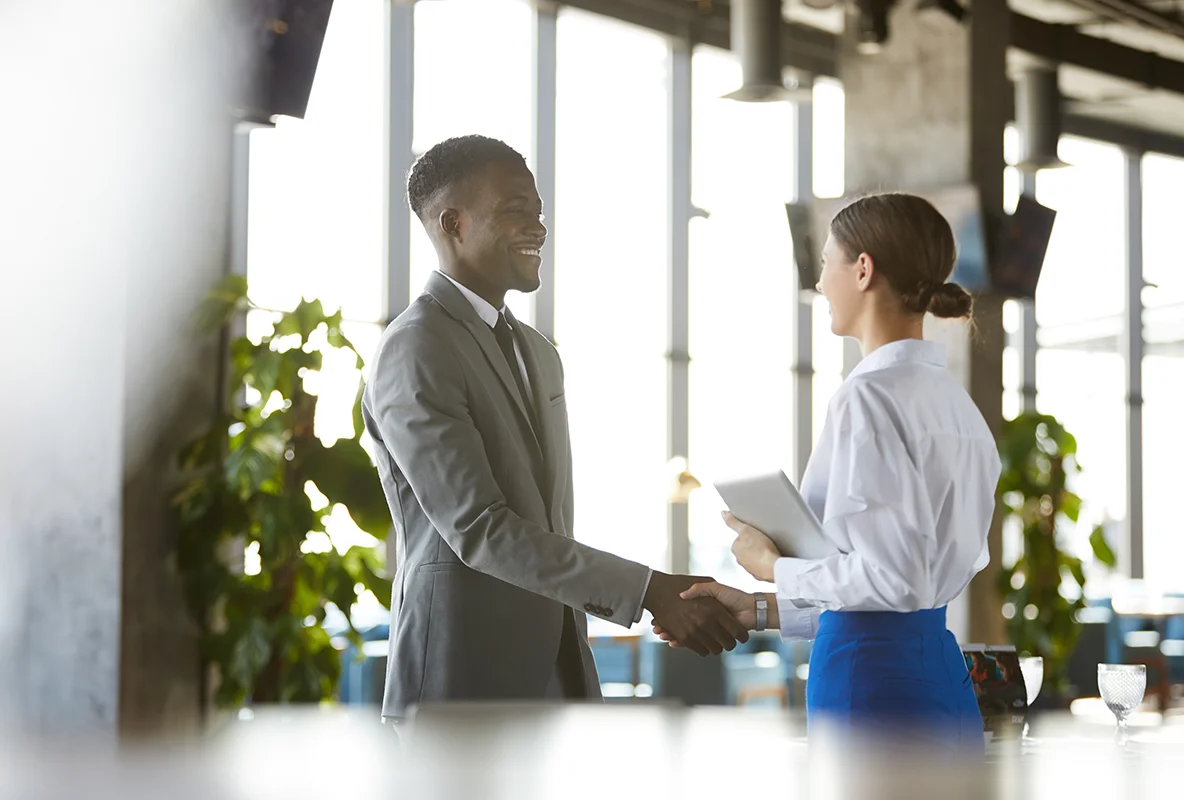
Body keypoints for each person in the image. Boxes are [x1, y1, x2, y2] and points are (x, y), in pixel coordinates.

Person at [363, 135, 747, 724]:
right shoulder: (416, 347)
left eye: (539, 211)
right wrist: (648, 590)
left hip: (560, 670)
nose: (538, 228)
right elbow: (479, 528)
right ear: (453, 224)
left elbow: (545, 519)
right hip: (460, 680)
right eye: (516, 209)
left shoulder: (538, 353)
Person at [656, 193, 1000, 753]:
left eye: (826, 264)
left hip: (871, 685)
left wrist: (776, 567)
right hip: (936, 673)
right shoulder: (958, 407)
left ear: (862, 269)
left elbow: (893, 580)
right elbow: (897, 599)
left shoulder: (868, 398)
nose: (820, 284)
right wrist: (760, 607)